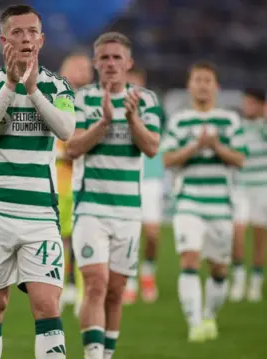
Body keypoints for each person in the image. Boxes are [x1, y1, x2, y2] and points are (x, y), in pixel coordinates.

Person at [0, 4, 76, 358]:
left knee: (47, 304)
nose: (26, 38)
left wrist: (32, 90)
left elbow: (66, 130)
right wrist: (12, 86)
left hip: (41, 214)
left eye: (32, 32)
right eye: (17, 32)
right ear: (4, 39)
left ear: (42, 39)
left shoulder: (57, 85)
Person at [66, 32, 162, 359]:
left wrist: (131, 118)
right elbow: (72, 147)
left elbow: (151, 148)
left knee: (116, 293)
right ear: (95, 63)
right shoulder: (80, 100)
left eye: (116, 58)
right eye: (104, 58)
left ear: (129, 63)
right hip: (90, 208)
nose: (110, 64)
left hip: (129, 212)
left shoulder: (146, 101)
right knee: (95, 283)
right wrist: (104, 123)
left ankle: (106, 355)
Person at [161, 61, 246, 343]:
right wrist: (195, 146)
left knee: (220, 269)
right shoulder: (179, 121)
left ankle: (209, 315)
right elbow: (166, 159)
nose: (201, 85)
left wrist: (216, 146)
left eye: (207, 80)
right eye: (197, 80)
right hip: (188, 202)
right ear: (189, 86)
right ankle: (195, 323)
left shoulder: (229, 120)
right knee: (189, 260)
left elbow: (241, 158)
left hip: (220, 204)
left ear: (216, 86)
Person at [229, 89, 267, 303]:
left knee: (259, 240)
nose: (247, 107)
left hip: (262, 189)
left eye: (252, 103)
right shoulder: (238, 126)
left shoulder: (266, 126)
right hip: (241, 188)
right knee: (236, 236)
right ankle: (238, 280)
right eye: (245, 102)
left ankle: (255, 285)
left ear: (262, 105)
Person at [122, 67, 165, 305]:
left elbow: (158, 139)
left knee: (152, 233)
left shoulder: (154, 108)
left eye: (136, 81)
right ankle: (130, 280)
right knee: (129, 233)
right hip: (127, 175)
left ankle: (148, 272)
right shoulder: (114, 107)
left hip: (150, 176)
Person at [56, 51, 93, 316]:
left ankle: (81, 295)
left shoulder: (95, 102)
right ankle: (59, 290)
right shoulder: (53, 100)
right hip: (59, 181)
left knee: (84, 239)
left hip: (87, 181)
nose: (83, 70)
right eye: (76, 66)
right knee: (57, 240)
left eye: (86, 66)